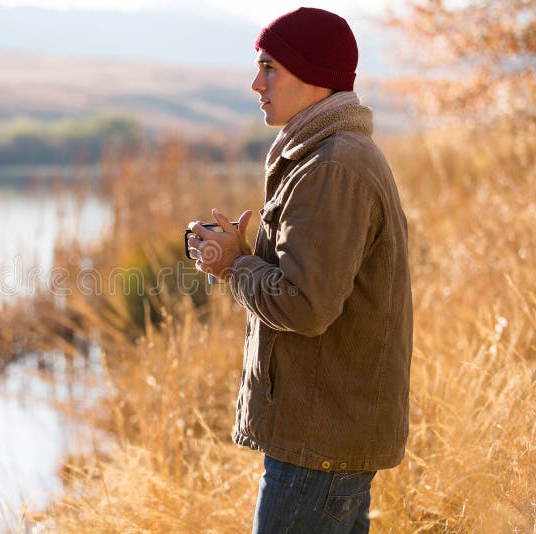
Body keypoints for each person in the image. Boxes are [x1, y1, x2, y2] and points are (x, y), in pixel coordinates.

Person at [186, 7, 413, 533]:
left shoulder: (332, 166)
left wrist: (235, 266)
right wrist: (241, 255)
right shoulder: (326, 156)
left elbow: (304, 306)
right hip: (325, 439)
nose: (255, 83)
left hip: (319, 448)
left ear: (314, 76)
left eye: (270, 68)